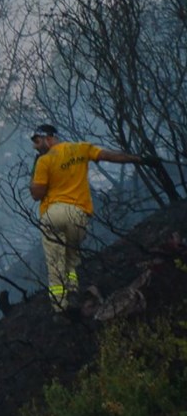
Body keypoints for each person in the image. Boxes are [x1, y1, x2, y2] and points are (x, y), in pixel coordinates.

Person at [28, 124, 158, 314]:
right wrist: (141, 159)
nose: (36, 147)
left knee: (55, 262)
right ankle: (72, 291)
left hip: (53, 214)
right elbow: (110, 156)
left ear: (49, 138)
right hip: (78, 214)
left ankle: (60, 308)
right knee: (71, 256)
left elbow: (36, 194)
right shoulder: (81, 148)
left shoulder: (43, 161)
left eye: (38, 142)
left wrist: (35, 173)